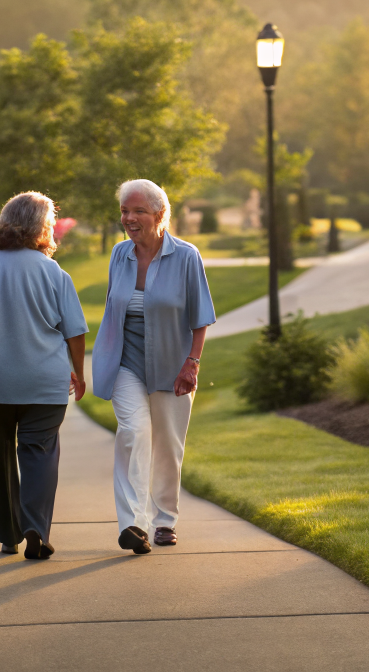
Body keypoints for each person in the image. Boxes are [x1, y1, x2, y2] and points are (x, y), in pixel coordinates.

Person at [0, 191, 87, 560]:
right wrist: (79, 373)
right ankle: (36, 528)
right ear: (42, 227)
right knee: (39, 451)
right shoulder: (55, 272)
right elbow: (75, 331)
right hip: (45, 382)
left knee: (1, 449)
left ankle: (9, 535)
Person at [91, 179, 216, 555]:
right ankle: (134, 522)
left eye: (138, 211)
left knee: (167, 445)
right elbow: (116, 310)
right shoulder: (119, 255)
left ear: (160, 215)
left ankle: (165, 520)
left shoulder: (186, 256)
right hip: (125, 361)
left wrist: (192, 363)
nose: (128, 218)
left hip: (172, 363)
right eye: (125, 211)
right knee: (134, 432)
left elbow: (200, 317)